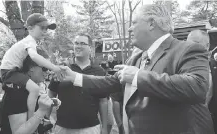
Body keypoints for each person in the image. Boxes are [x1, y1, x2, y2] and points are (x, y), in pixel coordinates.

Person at [60, 4, 213, 134]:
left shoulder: (187, 49)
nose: (130, 29)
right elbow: (111, 82)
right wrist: (75, 77)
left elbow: (197, 86)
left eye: (134, 22)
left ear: (152, 23)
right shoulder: (136, 58)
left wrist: (138, 77)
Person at [0, 13, 62, 121]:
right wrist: (54, 67)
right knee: (35, 89)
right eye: (42, 28)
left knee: (34, 89)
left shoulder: (30, 42)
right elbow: (34, 56)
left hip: (14, 70)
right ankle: (31, 118)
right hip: (10, 71)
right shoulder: (30, 41)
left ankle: (34, 117)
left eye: (46, 28)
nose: (45, 31)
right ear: (30, 28)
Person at [48, 34, 108, 134]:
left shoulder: (99, 71)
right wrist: (46, 120)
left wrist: (105, 128)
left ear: (90, 48)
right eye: (76, 43)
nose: (78, 46)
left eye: (82, 43)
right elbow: (50, 95)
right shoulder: (63, 68)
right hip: (63, 128)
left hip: (90, 128)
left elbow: (103, 101)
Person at [0, 49, 60, 134]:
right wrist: (41, 111)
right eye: (45, 68)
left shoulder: (27, 89)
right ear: (31, 68)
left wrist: (49, 102)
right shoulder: (17, 91)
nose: (48, 72)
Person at [186, 30, 214, 133]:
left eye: (195, 43)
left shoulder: (213, 66)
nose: (189, 47)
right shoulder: (180, 63)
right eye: (187, 43)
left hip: (201, 124)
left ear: (207, 46)